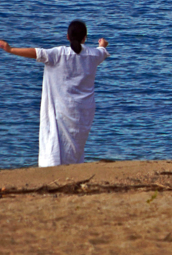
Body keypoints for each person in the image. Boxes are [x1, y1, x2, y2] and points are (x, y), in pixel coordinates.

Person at [0, 20, 110, 167]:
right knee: (76, 144)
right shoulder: (93, 54)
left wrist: (11, 49)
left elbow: (36, 52)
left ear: (67, 37)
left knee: (55, 139)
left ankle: (54, 166)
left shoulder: (59, 54)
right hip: (84, 109)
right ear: (85, 38)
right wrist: (102, 44)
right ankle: (74, 166)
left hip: (61, 108)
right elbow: (101, 50)